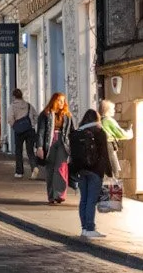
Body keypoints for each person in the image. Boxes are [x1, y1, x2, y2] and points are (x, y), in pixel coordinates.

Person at [69, 106, 117, 237]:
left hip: (81, 170)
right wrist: (110, 173)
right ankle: (90, 228)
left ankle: (84, 228)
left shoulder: (77, 132)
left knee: (84, 199)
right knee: (92, 200)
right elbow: (104, 154)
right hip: (95, 170)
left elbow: (72, 154)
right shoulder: (99, 131)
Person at [41, 91, 73, 204]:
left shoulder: (67, 115)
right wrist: (40, 147)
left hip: (63, 142)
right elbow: (41, 131)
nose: (62, 103)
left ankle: (59, 195)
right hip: (50, 141)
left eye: (63, 101)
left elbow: (72, 131)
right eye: (59, 100)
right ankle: (51, 196)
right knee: (50, 169)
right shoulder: (46, 114)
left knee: (61, 168)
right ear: (54, 101)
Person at [9, 89, 37, 178]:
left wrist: (15, 126)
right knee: (30, 151)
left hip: (19, 132)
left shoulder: (12, 106)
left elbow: (10, 118)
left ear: (14, 96)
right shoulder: (28, 105)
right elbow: (35, 116)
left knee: (18, 151)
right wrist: (32, 124)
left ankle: (19, 172)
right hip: (30, 130)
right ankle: (34, 168)